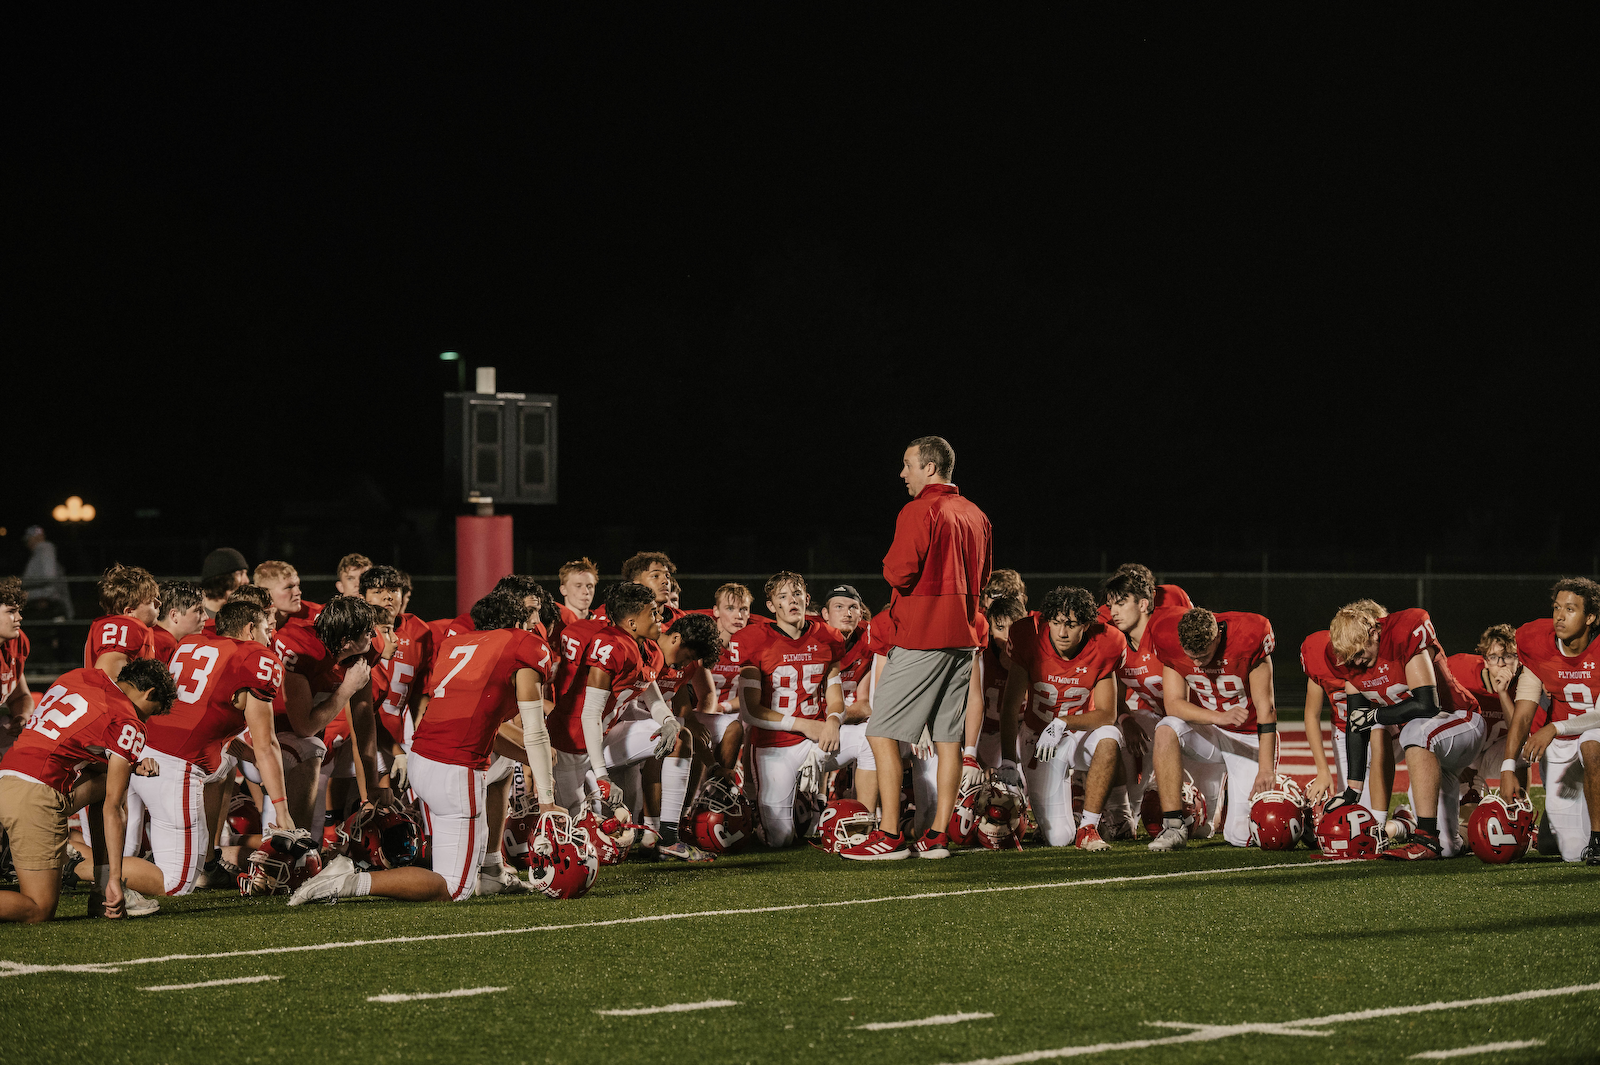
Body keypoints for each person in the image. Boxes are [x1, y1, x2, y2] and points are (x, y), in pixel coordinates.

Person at [290, 590, 556, 904]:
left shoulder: (459, 645)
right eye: (531, 620)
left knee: (502, 770)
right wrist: (547, 799)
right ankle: (348, 881)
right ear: (517, 623)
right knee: (453, 889)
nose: (536, 626)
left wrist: (525, 757)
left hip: (423, 760)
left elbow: (481, 727)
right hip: (455, 770)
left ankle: (491, 868)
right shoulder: (522, 645)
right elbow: (535, 732)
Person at [843, 436, 991, 861]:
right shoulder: (976, 513)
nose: (902, 473)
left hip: (923, 634)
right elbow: (984, 575)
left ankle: (889, 834)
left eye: (908, 464)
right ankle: (938, 836)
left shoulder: (919, 509)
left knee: (880, 732)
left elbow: (899, 573)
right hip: (964, 636)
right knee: (948, 738)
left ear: (930, 467)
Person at [133, 600, 295, 895]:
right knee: (178, 884)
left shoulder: (191, 642)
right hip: (176, 766)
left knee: (223, 765)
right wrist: (282, 813)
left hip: (140, 751)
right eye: (265, 630)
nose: (269, 638)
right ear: (250, 629)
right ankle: (80, 867)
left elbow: (201, 719)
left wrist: (251, 757)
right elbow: (267, 743)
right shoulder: (256, 657)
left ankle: (109, 870)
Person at [0, 658, 177, 922]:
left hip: (7, 776)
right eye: (152, 711)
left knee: (107, 781)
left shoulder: (79, 676)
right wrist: (115, 878)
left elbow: (71, 745)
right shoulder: (129, 720)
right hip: (36, 793)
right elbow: (113, 808)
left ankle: (100, 890)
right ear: (149, 693)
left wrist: (129, 766)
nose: (146, 719)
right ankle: (106, 886)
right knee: (38, 908)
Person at [1323, 605, 1483, 859]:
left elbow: (1427, 705)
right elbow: (1357, 723)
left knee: (1414, 731)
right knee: (1448, 847)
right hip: (1431, 744)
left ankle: (1425, 838)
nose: (1357, 662)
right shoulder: (1354, 662)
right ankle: (1477, 835)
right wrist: (1352, 789)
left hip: (1461, 720)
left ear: (1374, 632)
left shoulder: (1402, 636)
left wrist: (1375, 715)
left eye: (1360, 652)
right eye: (1351, 657)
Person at [734, 572, 872, 848]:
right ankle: (784, 808)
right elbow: (751, 711)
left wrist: (833, 721)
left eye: (797, 594)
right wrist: (805, 725)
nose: (792, 601)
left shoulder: (828, 636)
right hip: (776, 745)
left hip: (818, 739)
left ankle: (865, 821)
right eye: (783, 596)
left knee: (872, 738)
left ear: (807, 599)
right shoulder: (754, 639)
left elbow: (835, 698)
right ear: (771, 606)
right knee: (780, 839)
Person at [1000, 586, 1129, 851]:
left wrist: (1063, 722)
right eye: (1056, 622)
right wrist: (1008, 760)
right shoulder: (1028, 636)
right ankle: (1068, 814)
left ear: (1086, 625)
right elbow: (1010, 707)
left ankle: (1089, 827)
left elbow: (1107, 714)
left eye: (1070, 624)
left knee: (1110, 736)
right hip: (1040, 740)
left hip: (1079, 733)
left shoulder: (1105, 643)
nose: (1061, 632)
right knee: (1059, 838)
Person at [1145, 606, 1279, 851]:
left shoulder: (1248, 636)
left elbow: (1266, 709)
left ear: (1217, 636)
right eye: (1191, 657)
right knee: (1166, 727)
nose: (1197, 663)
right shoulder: (1167, 637)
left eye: (1204, 656)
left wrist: (1266, 769)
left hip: (1248, 738)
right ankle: (1173, 826)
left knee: (1241, 837)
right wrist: (1219, 717)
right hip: (1211, 729)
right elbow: (1174, 704)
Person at [1502, 578, 1600, 864]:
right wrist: (1508, 767)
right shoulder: (1538, 643)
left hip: (1593, 736)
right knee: (1566, 850)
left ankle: (1598, 840)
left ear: (1590, 617)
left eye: (1570, 609)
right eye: (1557, 607)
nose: (1559, 616)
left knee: (1591, 743)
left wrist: (1554, 727)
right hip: (1563, 747)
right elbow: (1523, 712)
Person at [84, 564, 161, 679]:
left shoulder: (135, 629)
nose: (159, 603)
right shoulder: (122, 627)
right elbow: (107, 679)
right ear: (129, 612)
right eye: (150, 601)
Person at [1, 578, 32, 759]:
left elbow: (20, 696)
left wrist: (22, 716)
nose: (19, 617)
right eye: (11, 611)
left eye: (19, 611)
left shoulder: (17, 642)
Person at [21, 525, 71, 619]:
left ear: (36, 537)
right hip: (47, 601)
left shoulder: (45, 548)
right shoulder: (39, 552)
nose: (27, 543)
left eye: (28, 539)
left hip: (47, 602)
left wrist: (22, 583)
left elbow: (48, 577)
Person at [150, 580, 205, 665]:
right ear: (174, 615)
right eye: (198, 610)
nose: (206, 617)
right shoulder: (165, 644)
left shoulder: (151, 634)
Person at [199, 548, 249, 620]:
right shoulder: (195, 618)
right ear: (220, 579)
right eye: (239, 574)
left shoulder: (242, 615)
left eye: (246, 573)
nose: (246, 580)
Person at [558, 557, 600, 624]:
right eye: (578, 586)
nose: (586, 592)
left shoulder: (603, 623)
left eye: (589, 586)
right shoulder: (554, 624)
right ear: (563, 590)